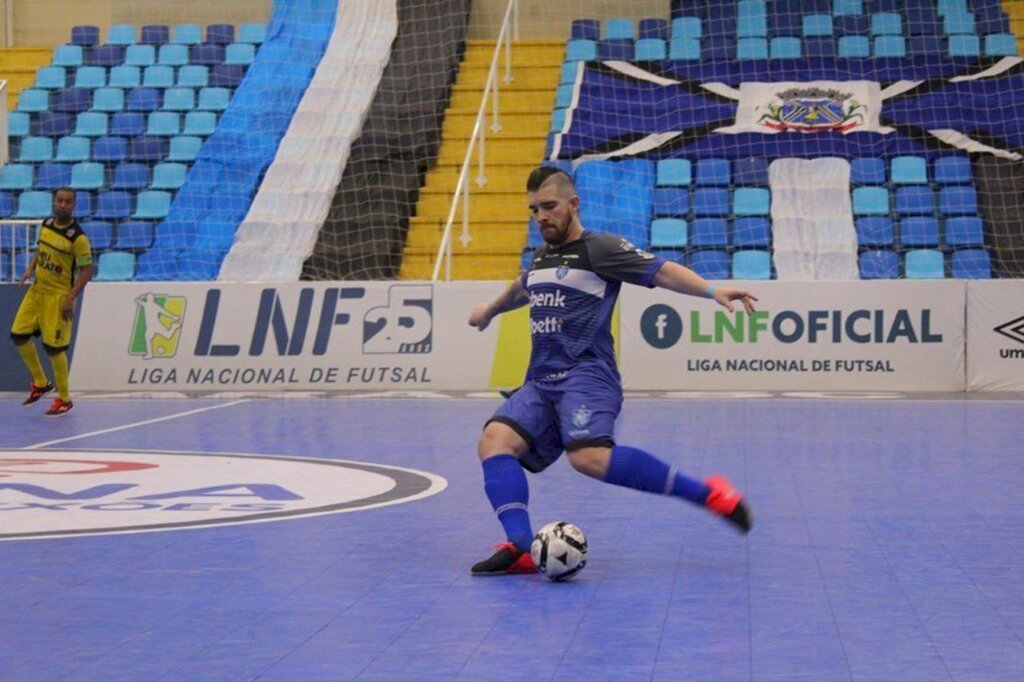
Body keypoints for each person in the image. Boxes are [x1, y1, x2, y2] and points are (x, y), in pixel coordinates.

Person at [467, 166, 758, 575]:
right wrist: (491, 311)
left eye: (549, 207)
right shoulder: (541, 255)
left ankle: (707, 493)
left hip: (586, 376)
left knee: (587, 458)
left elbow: (661, 271)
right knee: (494, 440)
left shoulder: (599, 249)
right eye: (534, 210)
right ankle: (520, 547)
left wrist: (712, 291)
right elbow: (523, 287)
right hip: (541, 381)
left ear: (573, 205)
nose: (541, 217)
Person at [10, 187, 92, 416]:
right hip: (37, 291)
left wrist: (70, 297)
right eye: (60, 200)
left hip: (59, 297)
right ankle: (40, 382)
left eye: (68, 201)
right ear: (54, 202)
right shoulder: (46, 225)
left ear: (73, 205)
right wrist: (30, 269)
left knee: (54, 349)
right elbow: (41, 250)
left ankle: (64, 399)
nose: (63, 205)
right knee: (18, 335)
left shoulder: (78, 237)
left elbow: (87, 271)